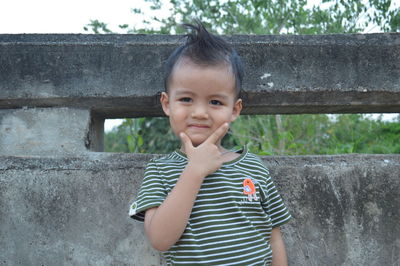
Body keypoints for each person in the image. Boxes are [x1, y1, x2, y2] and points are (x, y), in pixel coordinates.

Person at [129, 21, 291, 265]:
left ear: (234, 109)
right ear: (167, 104)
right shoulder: (160, 171)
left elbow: (273, 236)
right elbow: (160, 240)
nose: (201, 113)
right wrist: (194, 170)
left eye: (215, 102)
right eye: (186, 99)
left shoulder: (254, 168)